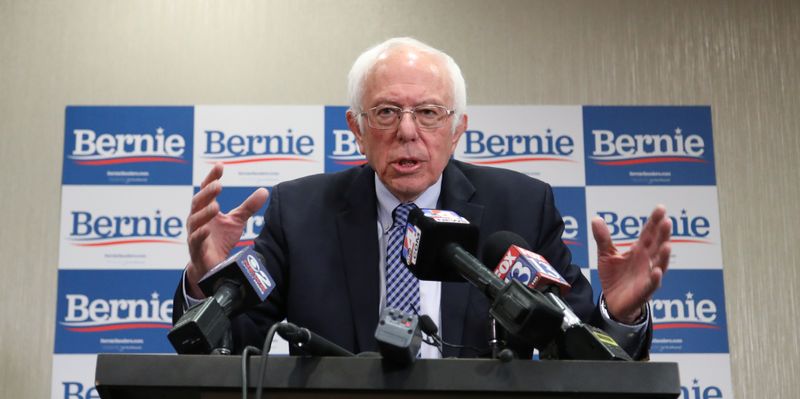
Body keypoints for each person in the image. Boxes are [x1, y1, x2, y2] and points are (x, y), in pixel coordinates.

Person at [173, 37, 671, 360]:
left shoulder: (520, 207)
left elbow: (582, 347)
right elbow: (237, 350)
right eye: (386, 112)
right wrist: (205, 286)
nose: (408, 132)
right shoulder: (299, 213)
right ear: (357, 130)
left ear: (457, 130)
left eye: (429, 113)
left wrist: (619, 316)